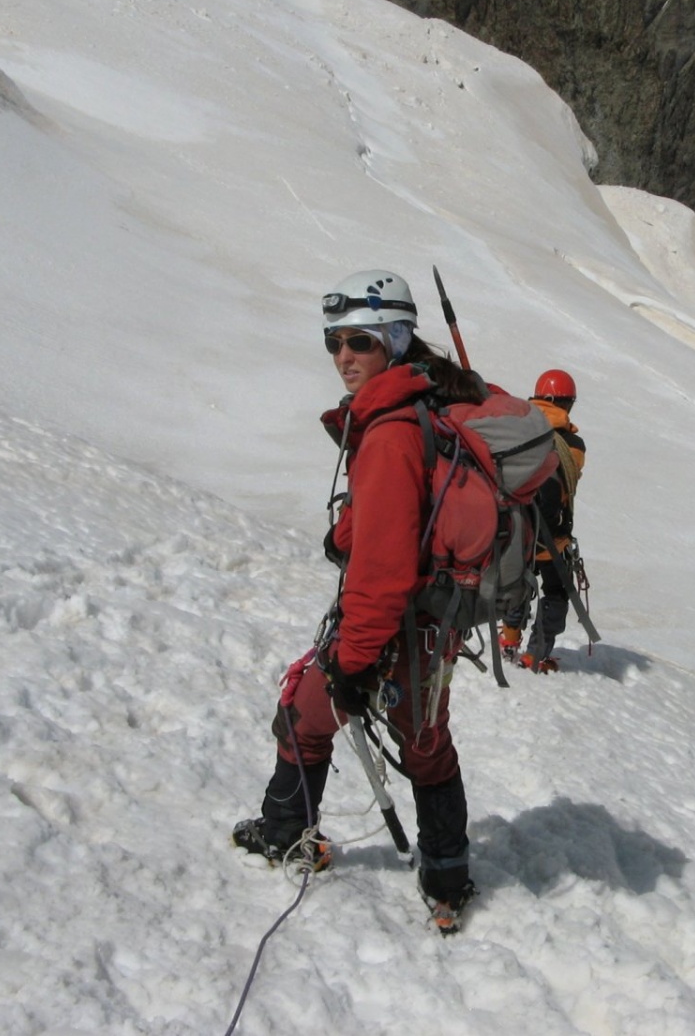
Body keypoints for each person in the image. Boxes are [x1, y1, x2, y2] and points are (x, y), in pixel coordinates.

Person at [232, 269, 485, 933]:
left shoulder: (390, 431)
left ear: (396, 341)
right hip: (435, 623)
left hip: (392, 624)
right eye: (334, 342)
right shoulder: (419, 407)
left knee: (304, 706)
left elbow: (382, 569)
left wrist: (352, 658)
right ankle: (448, 875)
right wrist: (350, 528)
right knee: (428, 744)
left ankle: (286, 829)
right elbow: (401, 518)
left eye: (359, 342)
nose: (343, 355)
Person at [500, 368, 586, 674]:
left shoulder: (516, 429)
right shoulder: (574, 446)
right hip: (552, 537)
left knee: (517, 583)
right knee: (556, 591)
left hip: (513, 530)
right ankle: (535, 654)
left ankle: (508, 637)